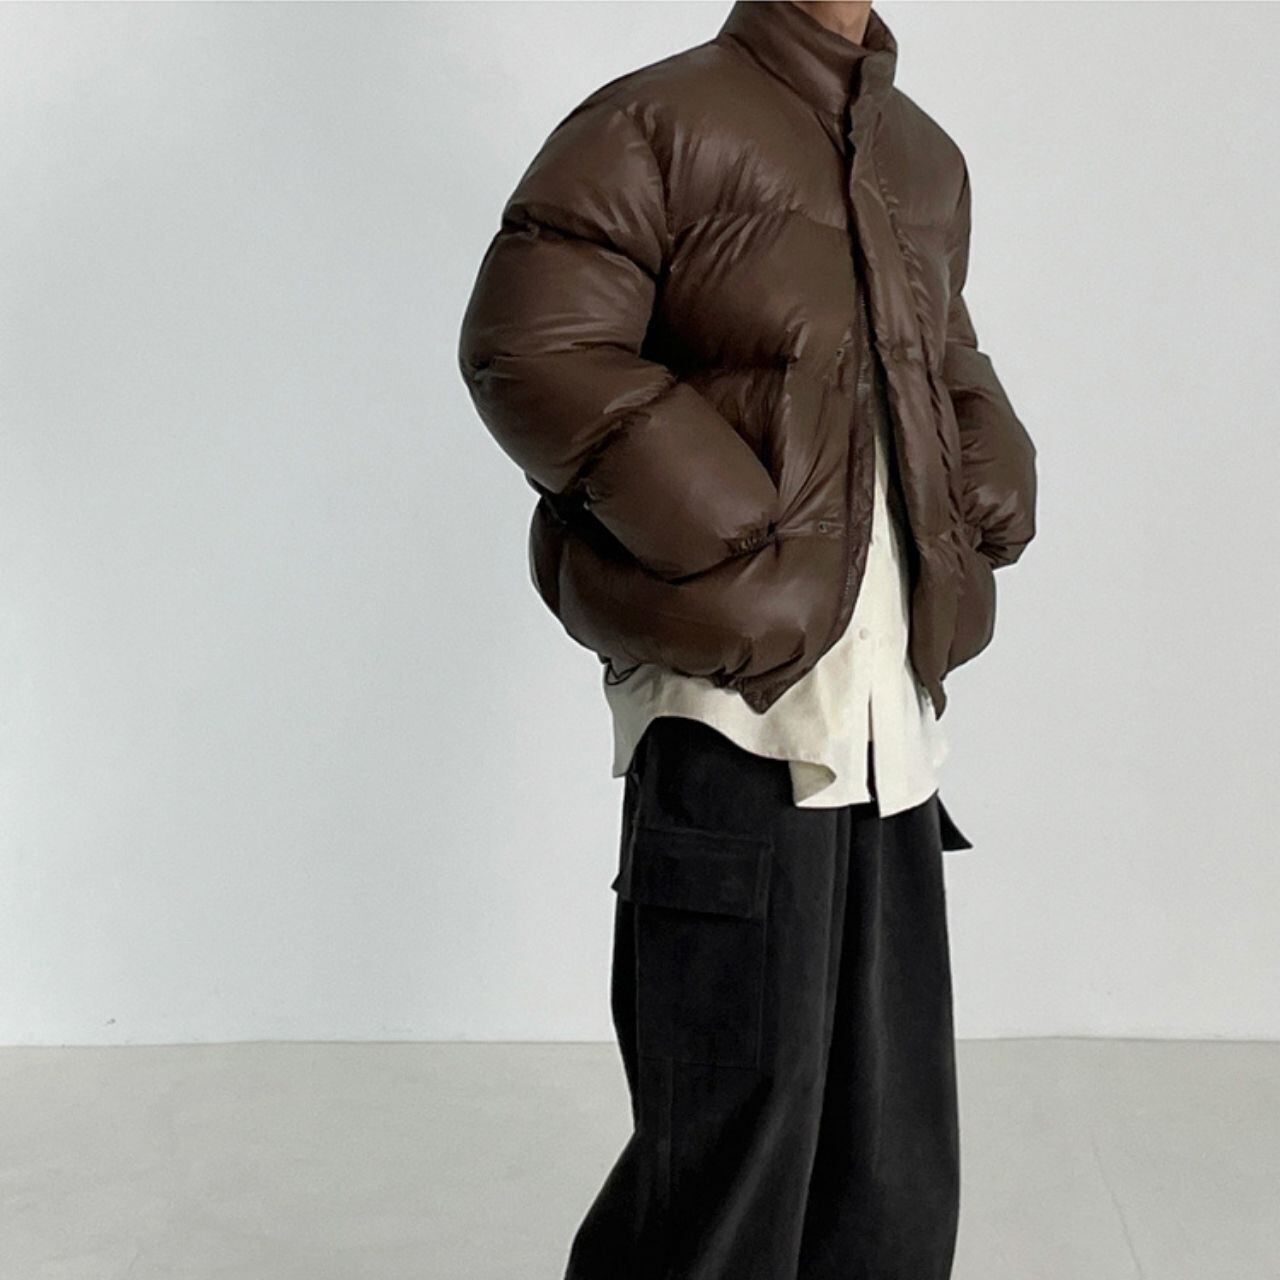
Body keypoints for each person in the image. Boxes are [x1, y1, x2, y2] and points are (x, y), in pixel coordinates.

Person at [457, 1, 1037, 1275]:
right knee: (729, 1145)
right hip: (734, 711)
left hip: (890, 726)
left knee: (888, 1152)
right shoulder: (650, 121)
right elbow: (530, 347)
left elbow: (940, 353)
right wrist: (726, 531)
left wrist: (984, 463)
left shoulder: (922, 157)